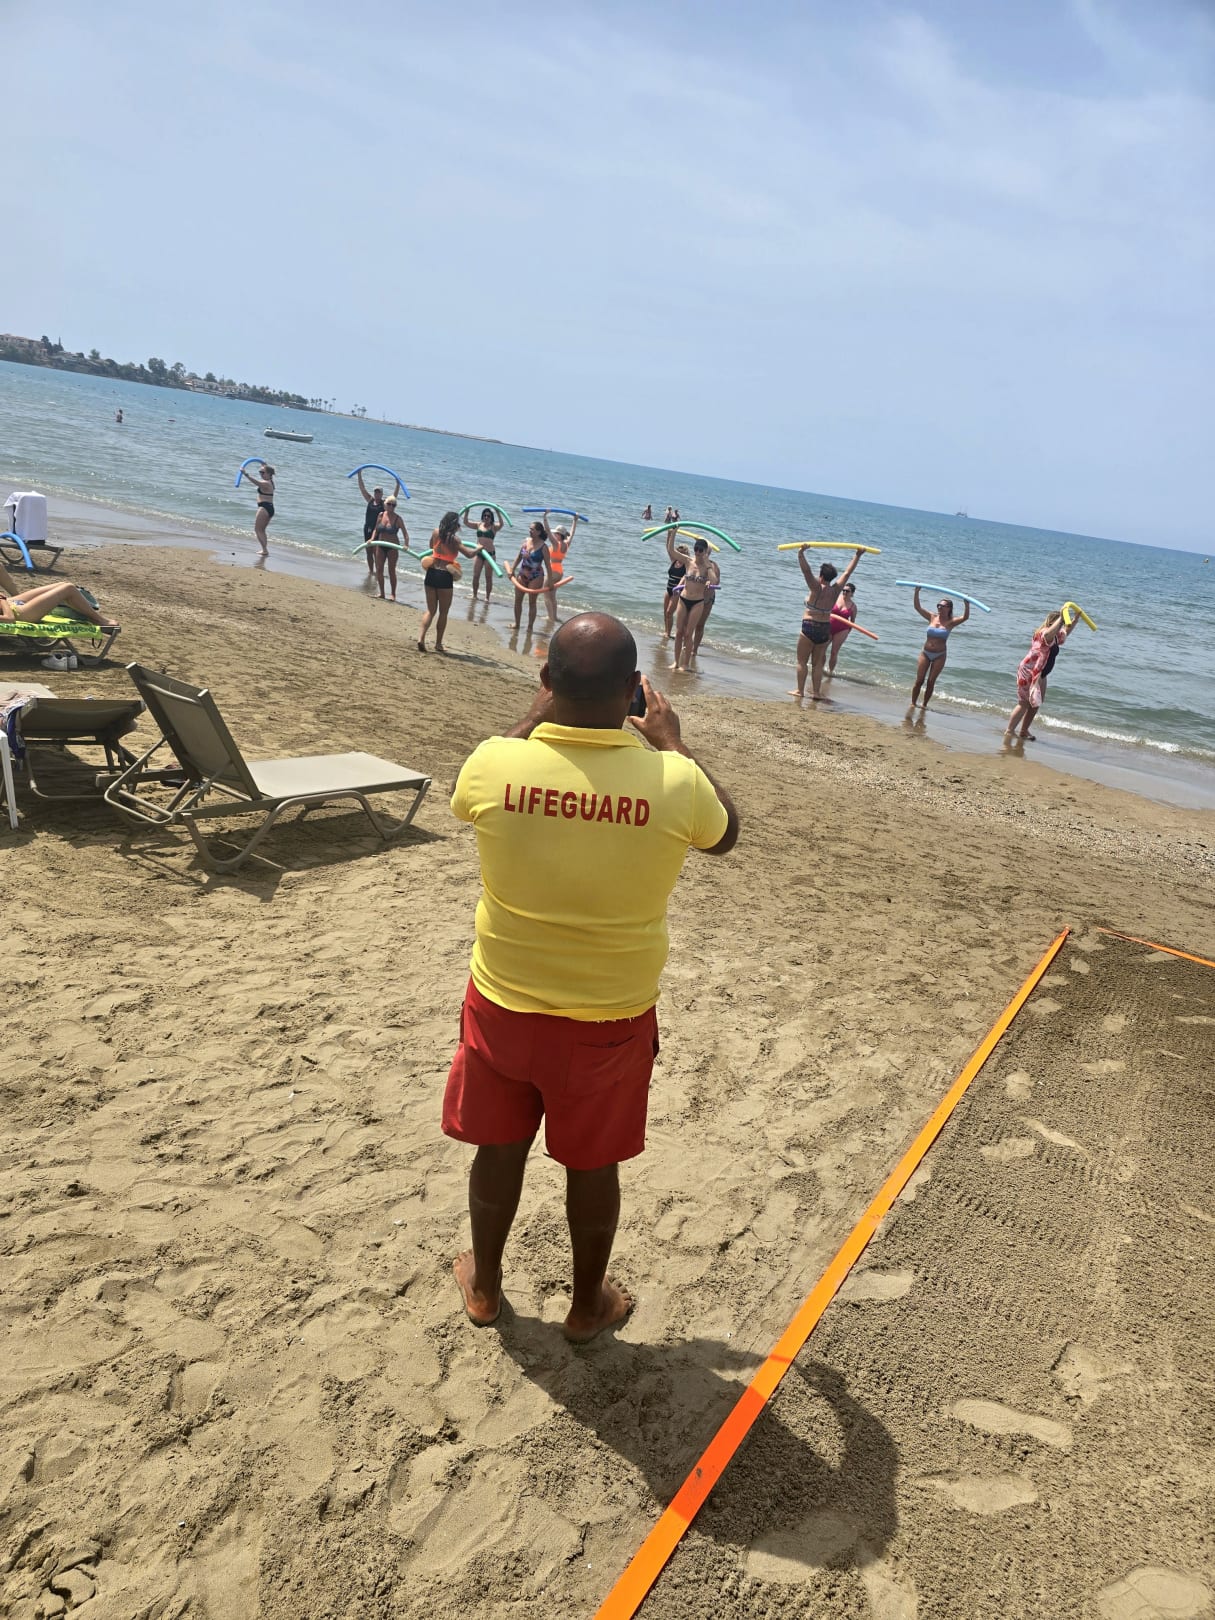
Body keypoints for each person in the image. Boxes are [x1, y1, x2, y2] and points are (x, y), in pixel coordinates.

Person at [443, 612, 740, 1341]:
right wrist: (674, 744)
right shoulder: (674, 781)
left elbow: (467, 795)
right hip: (609, 1018)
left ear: (547, 681)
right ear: (634, 691)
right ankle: (586, 1306)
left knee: (498, 1148)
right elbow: (725, 835)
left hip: (504, 1003)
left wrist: (530, 716)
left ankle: (485, 1288)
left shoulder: (494, 762)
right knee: (593, 1164)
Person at [790, 547, 865, 701]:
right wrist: (857, 555)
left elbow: (806, 571)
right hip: (824, 628)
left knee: (802, 661)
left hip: (809, 625)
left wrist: (801, 553)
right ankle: (816, 693)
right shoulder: (836, 591)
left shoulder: (816, 587)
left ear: (821, 576)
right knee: (817, 664)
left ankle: (800, 691)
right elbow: (847, 573)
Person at [418, 510, 479, 653]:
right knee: (443, 612)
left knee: (430, 610)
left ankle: (421, 638)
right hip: (445, 575)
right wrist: (480, 548)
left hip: (431, 572)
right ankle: (438, 644)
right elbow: (469, 554)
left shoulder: (435, 533)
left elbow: (431, 546)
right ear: (455, 525)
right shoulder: (455, 540)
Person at [0, 562, 120, 632]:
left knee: (62, 585)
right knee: (68, 589)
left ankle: (90, 615)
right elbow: (9, 619)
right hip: (22, 613)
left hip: (12, 604)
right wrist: (3, 600)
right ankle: (99, 620)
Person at [1005, 610, 1067, 741]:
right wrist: (1061, 618)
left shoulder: (1056, 636)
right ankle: (1009, 731)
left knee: (1036, 703)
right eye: (1060, 624)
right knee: (1024, 703)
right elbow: (1048, 634)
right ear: (1052, 623)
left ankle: (1023, 730)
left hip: (1041, 674)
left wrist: (1076, 619)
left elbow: (1066, 632)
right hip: (1029, 671)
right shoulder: (1044, 633)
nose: (1061, 627)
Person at [910, 588, 970, 707]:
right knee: (919, 680)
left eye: (942, 606)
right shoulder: (932, 617)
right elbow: (917, 607)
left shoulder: (951, 622)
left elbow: (965, 617)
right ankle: (913, 704)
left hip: (940, 655)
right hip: (925, 653)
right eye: (938, 605)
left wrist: (966, 604)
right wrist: (917, 592)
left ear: (949, 608)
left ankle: (924, 705)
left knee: (931, 682)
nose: (939, 608)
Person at [667, 533, 717, 671]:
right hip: (683, 599)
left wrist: (707, 566)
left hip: (697, 602)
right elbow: (671, 550)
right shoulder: (688, 561)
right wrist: (674, 532)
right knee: (679, 633)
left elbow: (714, 581)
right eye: (696, 549)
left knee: (689, 634)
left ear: (705, 552)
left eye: (701, 550)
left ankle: (686, 664)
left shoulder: (708, 567)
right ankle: (676, 662)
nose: (698, 552)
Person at [506, 520, 554, 634]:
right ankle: (517, 624)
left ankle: (530, 627)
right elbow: (518, 557)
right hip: (522, 574)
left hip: (536, 576)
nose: (529, 531)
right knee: (518, 600)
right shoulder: (525, 542)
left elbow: (548, 566)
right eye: (529, 529)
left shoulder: (543, 547)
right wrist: (512, 569)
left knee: (532, 602)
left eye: (532, 529)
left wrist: (550, 581)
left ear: (538, 532)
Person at [357, 471, 400, 579]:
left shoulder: (384, 504)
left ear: (381, 494)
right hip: (367, 529)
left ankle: (378, 572)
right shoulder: (370, 500)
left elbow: (394, 497)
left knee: (376, 552)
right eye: (375, 492)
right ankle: (371, 571)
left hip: (377, 530)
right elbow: (362, 488)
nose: (377, 494)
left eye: (379, 493)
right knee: (368, 552)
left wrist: (397, 485)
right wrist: (359, 474)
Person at [371, 495, 409, 602]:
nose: (391, 507)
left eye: (393, 505)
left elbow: (406, 534)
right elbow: (376, 529)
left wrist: (406, 545)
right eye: (389, 504)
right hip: (380, 545)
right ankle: (382, 593)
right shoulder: (381, 515)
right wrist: (372, 539)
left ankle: (393, 594)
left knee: (391, 570)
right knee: (379, 569)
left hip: (392, 547)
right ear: (385, 504)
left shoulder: (398, 519)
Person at [541, 511, 577, 621]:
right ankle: (555, 616)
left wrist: (545, 517)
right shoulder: (566, 544)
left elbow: (547, 531)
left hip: (552, 571)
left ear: (559, 535)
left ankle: (550, 617)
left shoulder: (556, 544)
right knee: (552, 595)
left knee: (546, 594)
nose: (554, 535)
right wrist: (575, 520)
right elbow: (572, 533)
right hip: (560, 571)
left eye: (556, 534)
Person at [464, 507, 505, 601]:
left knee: (488, 577)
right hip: (479, 554)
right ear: (482, 516)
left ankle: (487, 597)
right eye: (485, 515)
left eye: (488, 516)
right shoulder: (479, 525)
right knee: (476, 576)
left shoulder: (494, 527)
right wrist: (467, 512)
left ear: (491, 518)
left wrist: (498, 512)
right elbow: (466, 522)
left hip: (490, 555)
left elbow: (502, 524)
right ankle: (474, 595)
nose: (486, 517)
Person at [828, 583, 857, 674]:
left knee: (834, 652)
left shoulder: (853, 607)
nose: (844, 592)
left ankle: (830, 673)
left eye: (847, 591)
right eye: (843, 590)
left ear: (852, 593)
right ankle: (819, 668)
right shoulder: (835, 598)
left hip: (842, 630)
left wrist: (847, 632)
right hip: (828, 626)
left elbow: (852, 621)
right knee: (821, 649)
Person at [248, 464, 275, 556]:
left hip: (264, 508)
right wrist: (264, 464)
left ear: (269, 474)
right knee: (262, 530)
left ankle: (264, 550)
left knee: (258, 530)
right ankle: (264, 550)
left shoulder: (267, 483)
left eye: (263, 472)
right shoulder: (270, 481)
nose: (261, 474)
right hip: (269, 508)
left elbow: (256, 482)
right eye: (260, 472)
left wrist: (245, 474)